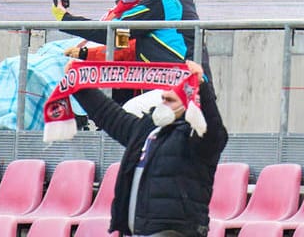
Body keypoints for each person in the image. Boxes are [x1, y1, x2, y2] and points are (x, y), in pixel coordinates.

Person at [67, 60, 226, 237]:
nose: (164, 103)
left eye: (170, 100)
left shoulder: (195, 137)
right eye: (163, 99)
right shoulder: (148, 130)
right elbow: (109, 115)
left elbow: (214, 130)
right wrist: (80, 87)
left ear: (188, 103)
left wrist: (202, 88)